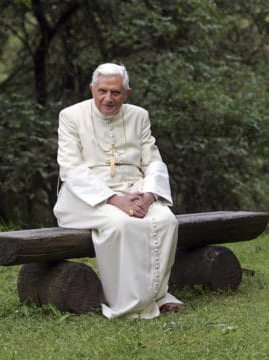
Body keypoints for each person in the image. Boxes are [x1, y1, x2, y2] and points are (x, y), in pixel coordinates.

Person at [53, 63, 183, 319]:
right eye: (102, 91)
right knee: (121, 225)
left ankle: (157, 294)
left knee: (167, 220)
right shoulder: (70, 116)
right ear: (92, 89)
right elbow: (71, 169)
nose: (108, 99)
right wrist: (114, 199)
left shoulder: (139, 116)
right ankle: (126, 302)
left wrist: (148, 196)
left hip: (135, 190)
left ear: (127, 93)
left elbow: (153, 160)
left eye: (115, 93)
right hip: (85, 197)